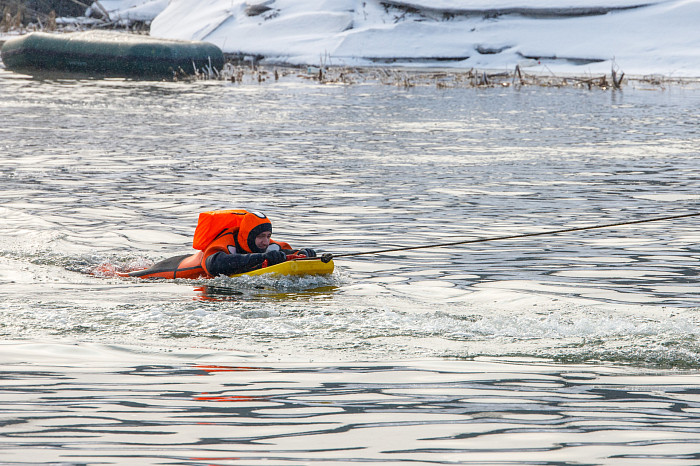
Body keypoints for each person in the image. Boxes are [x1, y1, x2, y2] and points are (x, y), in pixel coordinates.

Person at [124, 210, 316, 279]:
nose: (266, 242)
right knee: (128, 274)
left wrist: (304, 253)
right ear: (248, 236)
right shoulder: (225, 243)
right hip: (173, 270)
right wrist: (263, 258)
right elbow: (215, 265)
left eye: (268, 236)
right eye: (261, 237)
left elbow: (284, 250)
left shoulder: (262, 245)